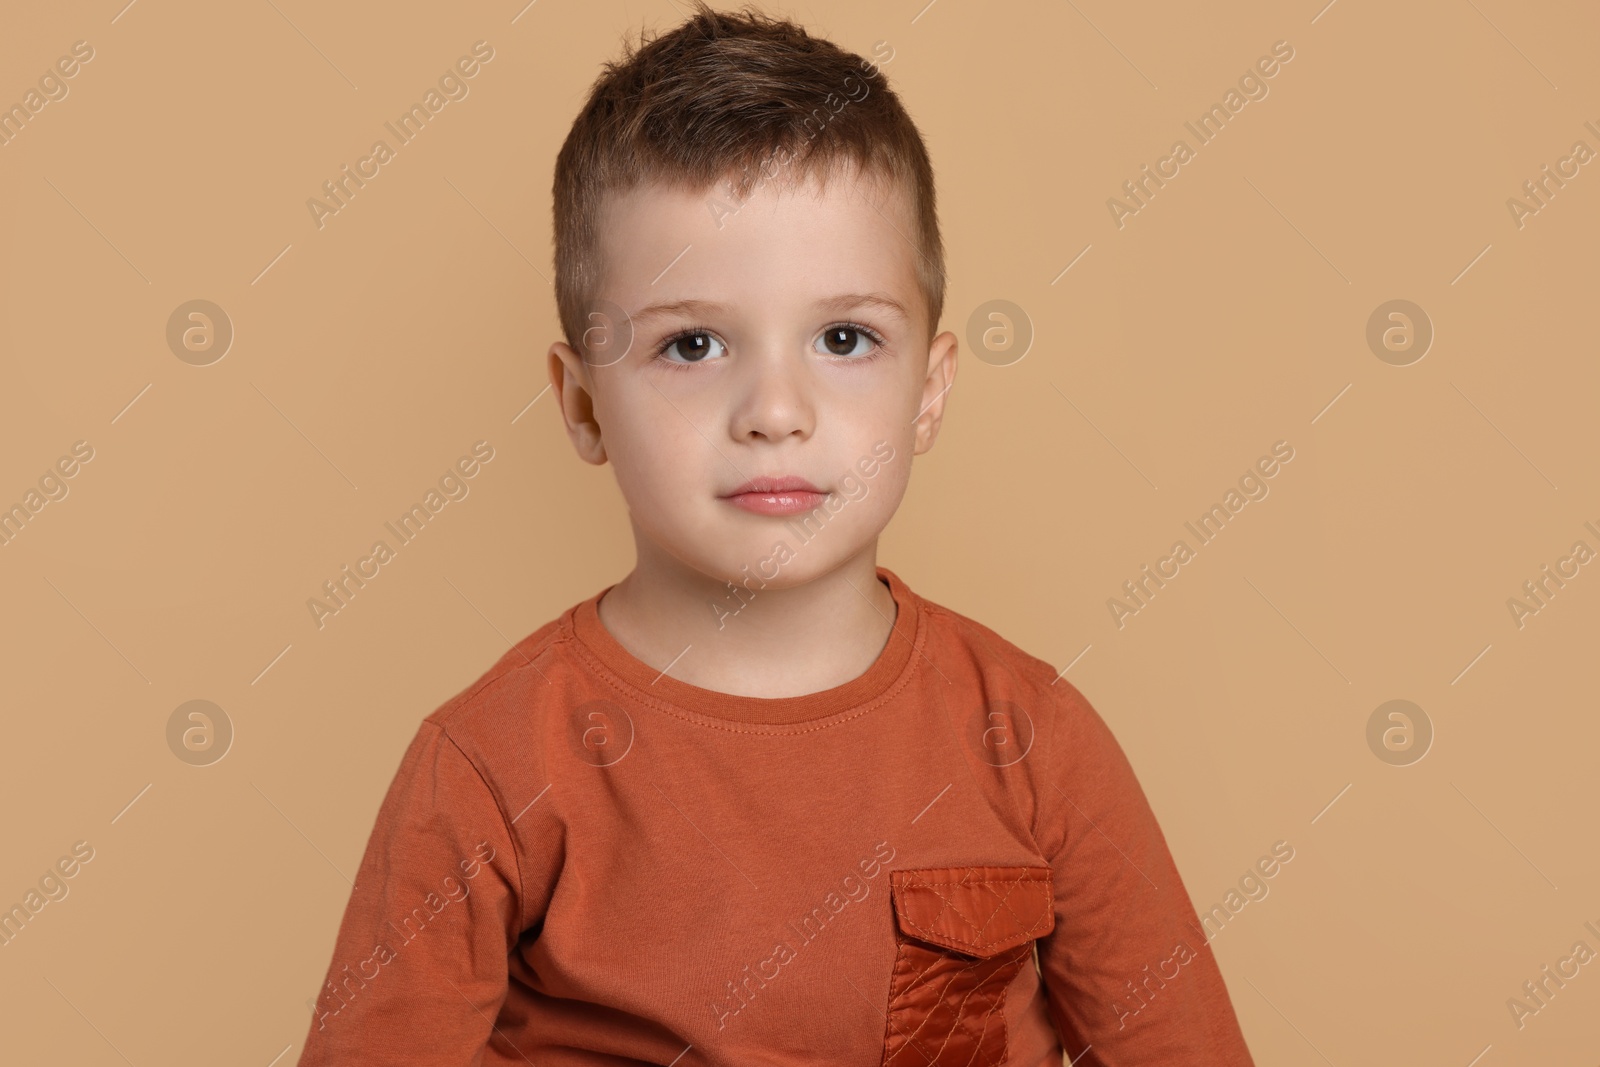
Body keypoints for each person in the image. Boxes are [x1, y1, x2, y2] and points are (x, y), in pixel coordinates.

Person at [296, 3, 1255, 1063]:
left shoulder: (1033, 738)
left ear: (928, 392)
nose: (774, 408)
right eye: (692, 342)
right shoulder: (487, 766)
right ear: (581, 405)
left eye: (844, 337)